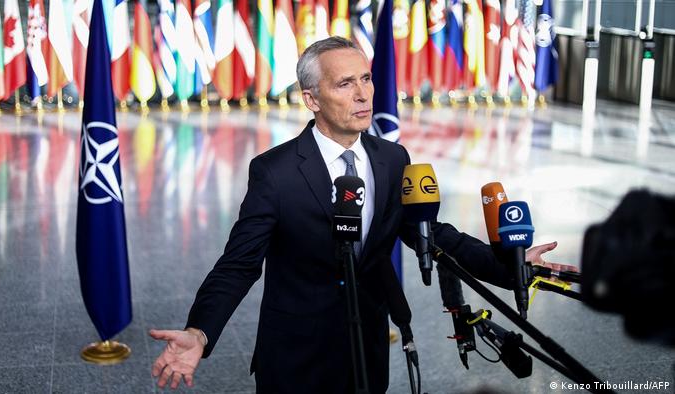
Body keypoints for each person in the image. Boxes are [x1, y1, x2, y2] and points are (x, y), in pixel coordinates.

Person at [149, 37, 569, 393]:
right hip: (296, 357)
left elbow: (428, 232)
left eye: (365, 79)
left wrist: (505, 264)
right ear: (311, 98)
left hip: (367, 352)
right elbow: (238, 265)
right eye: (345, 83)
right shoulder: (275, 172)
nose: (363, 94)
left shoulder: (392, 158)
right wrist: (200, 331)